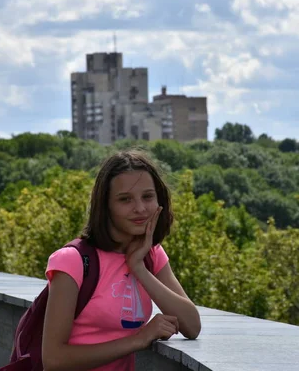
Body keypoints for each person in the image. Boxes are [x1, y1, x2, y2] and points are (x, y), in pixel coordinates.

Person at [41, 150, 201, 371]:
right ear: (106, 206)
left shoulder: (151, 255)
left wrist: (139, 268)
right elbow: (53, 359)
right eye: (125, 199)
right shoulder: (73, 261)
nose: (140, 208)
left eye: (147, 196)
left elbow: (191, 326)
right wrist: (138, 339)